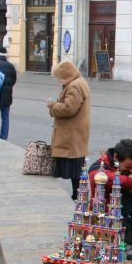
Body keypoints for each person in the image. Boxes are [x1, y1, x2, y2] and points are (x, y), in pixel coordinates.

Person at [47, 61, 91, 199]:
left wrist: (53, 106)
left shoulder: (75, 86)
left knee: (75, 167)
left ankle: (78, 196)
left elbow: (69, 108)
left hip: (72, 133)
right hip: (76, 132)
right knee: (76, 166)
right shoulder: (78, 82)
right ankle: (77, 195)